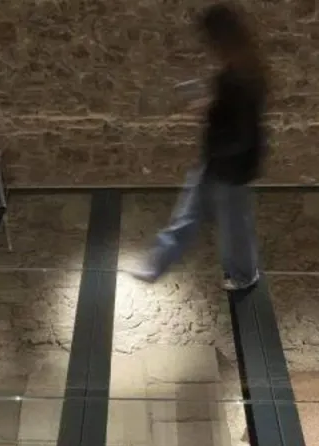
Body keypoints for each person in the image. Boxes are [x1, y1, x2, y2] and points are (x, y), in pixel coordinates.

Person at [131, 1, 268, 290]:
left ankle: (245, 276)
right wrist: (208, 106)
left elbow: (241, 132)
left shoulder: (241, 78)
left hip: (231, 168)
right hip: (217, 161)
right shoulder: (237, 72)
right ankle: (157, 264)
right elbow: (229, 113)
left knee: (233, 226)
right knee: (188, 216)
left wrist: (210, 119)